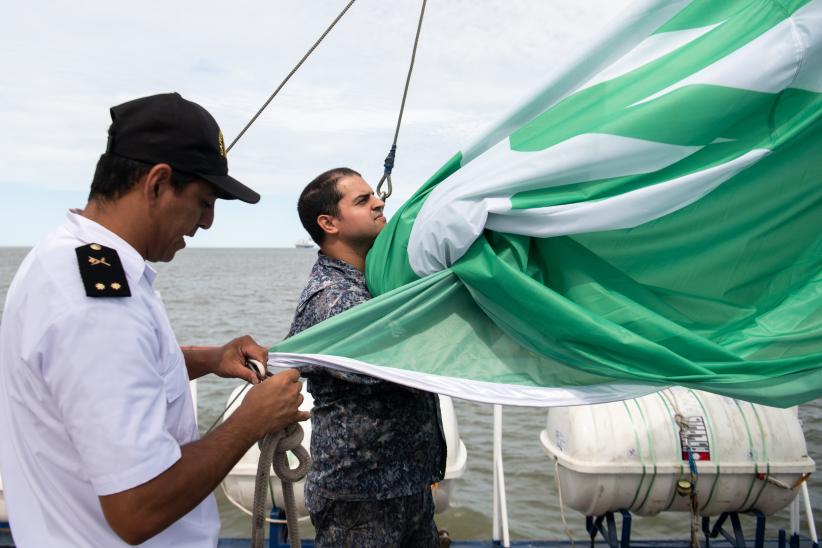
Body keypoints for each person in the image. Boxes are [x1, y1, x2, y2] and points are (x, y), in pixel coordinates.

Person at [0, 92, 310, 546]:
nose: (207, 222)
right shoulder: (97, 306)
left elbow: (113, 377)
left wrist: (209, 359)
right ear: (158, 183)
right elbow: (137, 509)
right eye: (204, 201)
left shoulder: (66, 259)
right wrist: (251, 421)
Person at [288, 168, 446, 548]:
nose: (379, 202)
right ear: (329, 223)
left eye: (374, 195)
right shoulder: (332, 297)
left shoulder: (373, 285)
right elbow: (404, 361)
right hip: (360, 501)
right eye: (362, 200)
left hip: (406, 486)